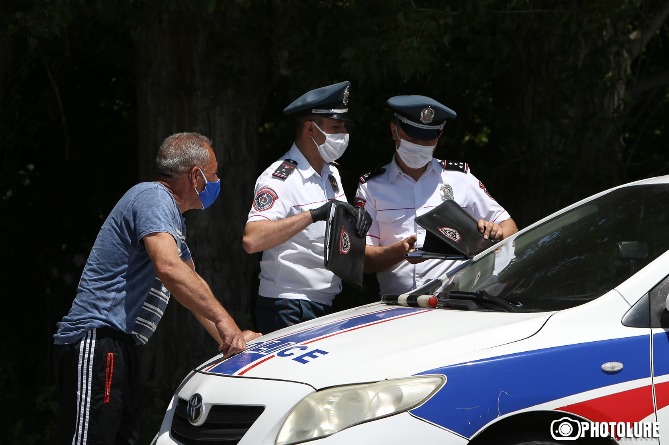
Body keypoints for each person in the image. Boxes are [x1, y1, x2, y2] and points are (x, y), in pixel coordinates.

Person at [52, 132, 261, 445]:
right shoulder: (153, 197)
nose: (217, 181)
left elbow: (190, 286)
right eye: (214, 174)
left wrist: (230, 338)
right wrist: (224, 322)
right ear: (196, 176)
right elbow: (168, 267)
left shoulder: (170, 218)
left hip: (120, 346)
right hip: (97, 341)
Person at [355, 95, 518, 296]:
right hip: (398, 305)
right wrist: (399, 252)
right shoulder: (371, 187)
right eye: (413, 137)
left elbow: (509, 227)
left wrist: (497, 234)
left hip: (456, 301)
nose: (420, 145)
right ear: (394, 130)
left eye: (428, 139)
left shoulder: (460, 179)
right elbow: (363, 260)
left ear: (439, 136)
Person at [242, 81, 371, 333]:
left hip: (325, 301)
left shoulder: (330, 173)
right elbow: (252, 239)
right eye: (336, 126)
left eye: (343, 125)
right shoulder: (279, 178)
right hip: (289, 303)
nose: (344, 133)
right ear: (310, 129)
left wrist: (355, 220)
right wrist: (313, 214)